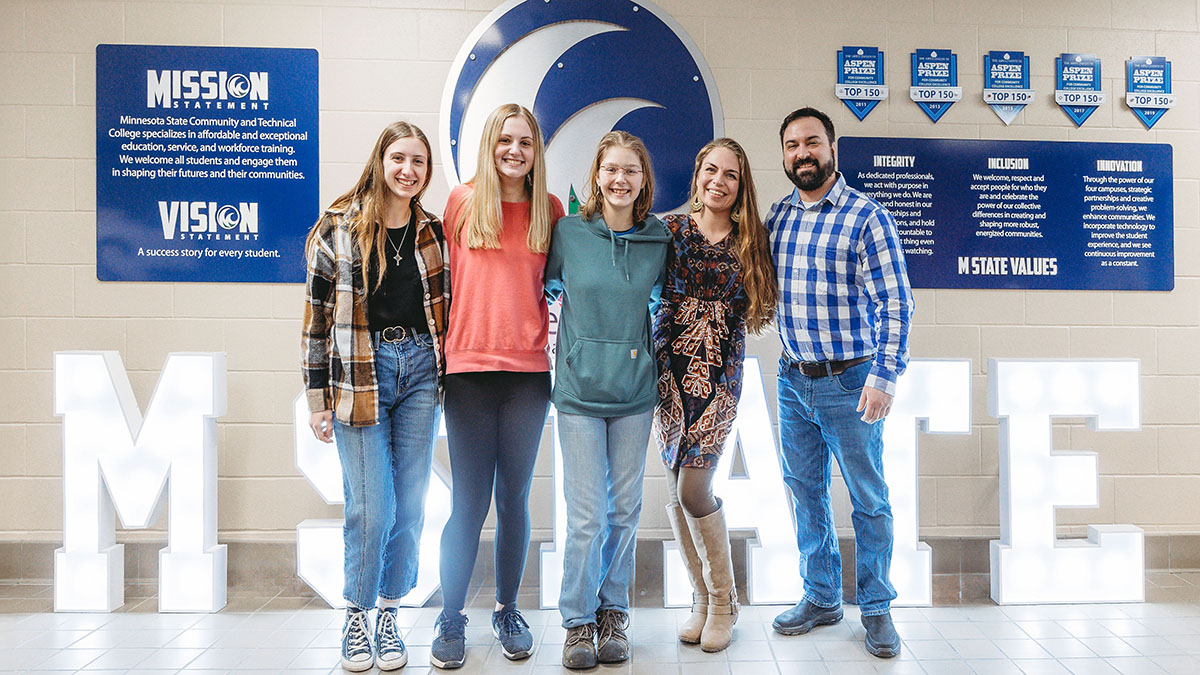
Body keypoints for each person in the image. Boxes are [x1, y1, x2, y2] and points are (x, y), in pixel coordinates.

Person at [765, 107, 913, 658]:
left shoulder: (865, 217)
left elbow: (896, 302)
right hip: (791, 377)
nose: (802, 153)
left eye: (812, 142)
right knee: (805, 493)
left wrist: (884, 376)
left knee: (868, 499)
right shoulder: (778, 217)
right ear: (783, 156)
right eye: (791, 145)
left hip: (851, 381)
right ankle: (822, 596)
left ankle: (876, 609)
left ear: (832, 147)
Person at [301, 121, 448, 672]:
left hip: (420, 375)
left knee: (410, 507)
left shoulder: (433, 233)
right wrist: (317, 399)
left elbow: (445, 313)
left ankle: (389, 612)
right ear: (380, 161)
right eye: (399, 158)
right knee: (372, 507)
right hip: (360, 376)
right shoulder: (337, 227)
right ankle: (356, 616)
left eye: (419, 162)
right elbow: (316, 322)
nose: (408, 170)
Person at [431, 103, 564, 670]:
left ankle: (509, 608)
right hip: (467, 373)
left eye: (525, 143)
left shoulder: (550, 210)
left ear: (536, 152)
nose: (515, 150)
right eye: (505, 140)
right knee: (468, 503)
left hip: (528, 376)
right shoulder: (461, 203)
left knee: (514, 499)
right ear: (490, 145)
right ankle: (452, 616)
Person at [544, 131, 670, 670]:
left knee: (624, 510)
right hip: (578, 394)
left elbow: (667, 304)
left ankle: (613, 612)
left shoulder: (659, 239)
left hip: (635, 394)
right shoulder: (568, 233)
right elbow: (547, 292)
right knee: (587, 515)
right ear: (597, 174)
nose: (620, 180)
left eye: (631, 171)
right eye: (611, 169)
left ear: (643, 181)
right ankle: (577, 623)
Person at [653, 137, 776, 653]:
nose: (718, 181)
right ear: (697, 175)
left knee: (693, 489)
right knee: (677, 487)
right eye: (711, 170)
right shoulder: (670, 231)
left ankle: (725, 601)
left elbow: (762, 306)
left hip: (718, 373)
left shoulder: (751, 238)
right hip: (668, 370)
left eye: (730, 174)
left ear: (740, 184)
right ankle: (701, 600)